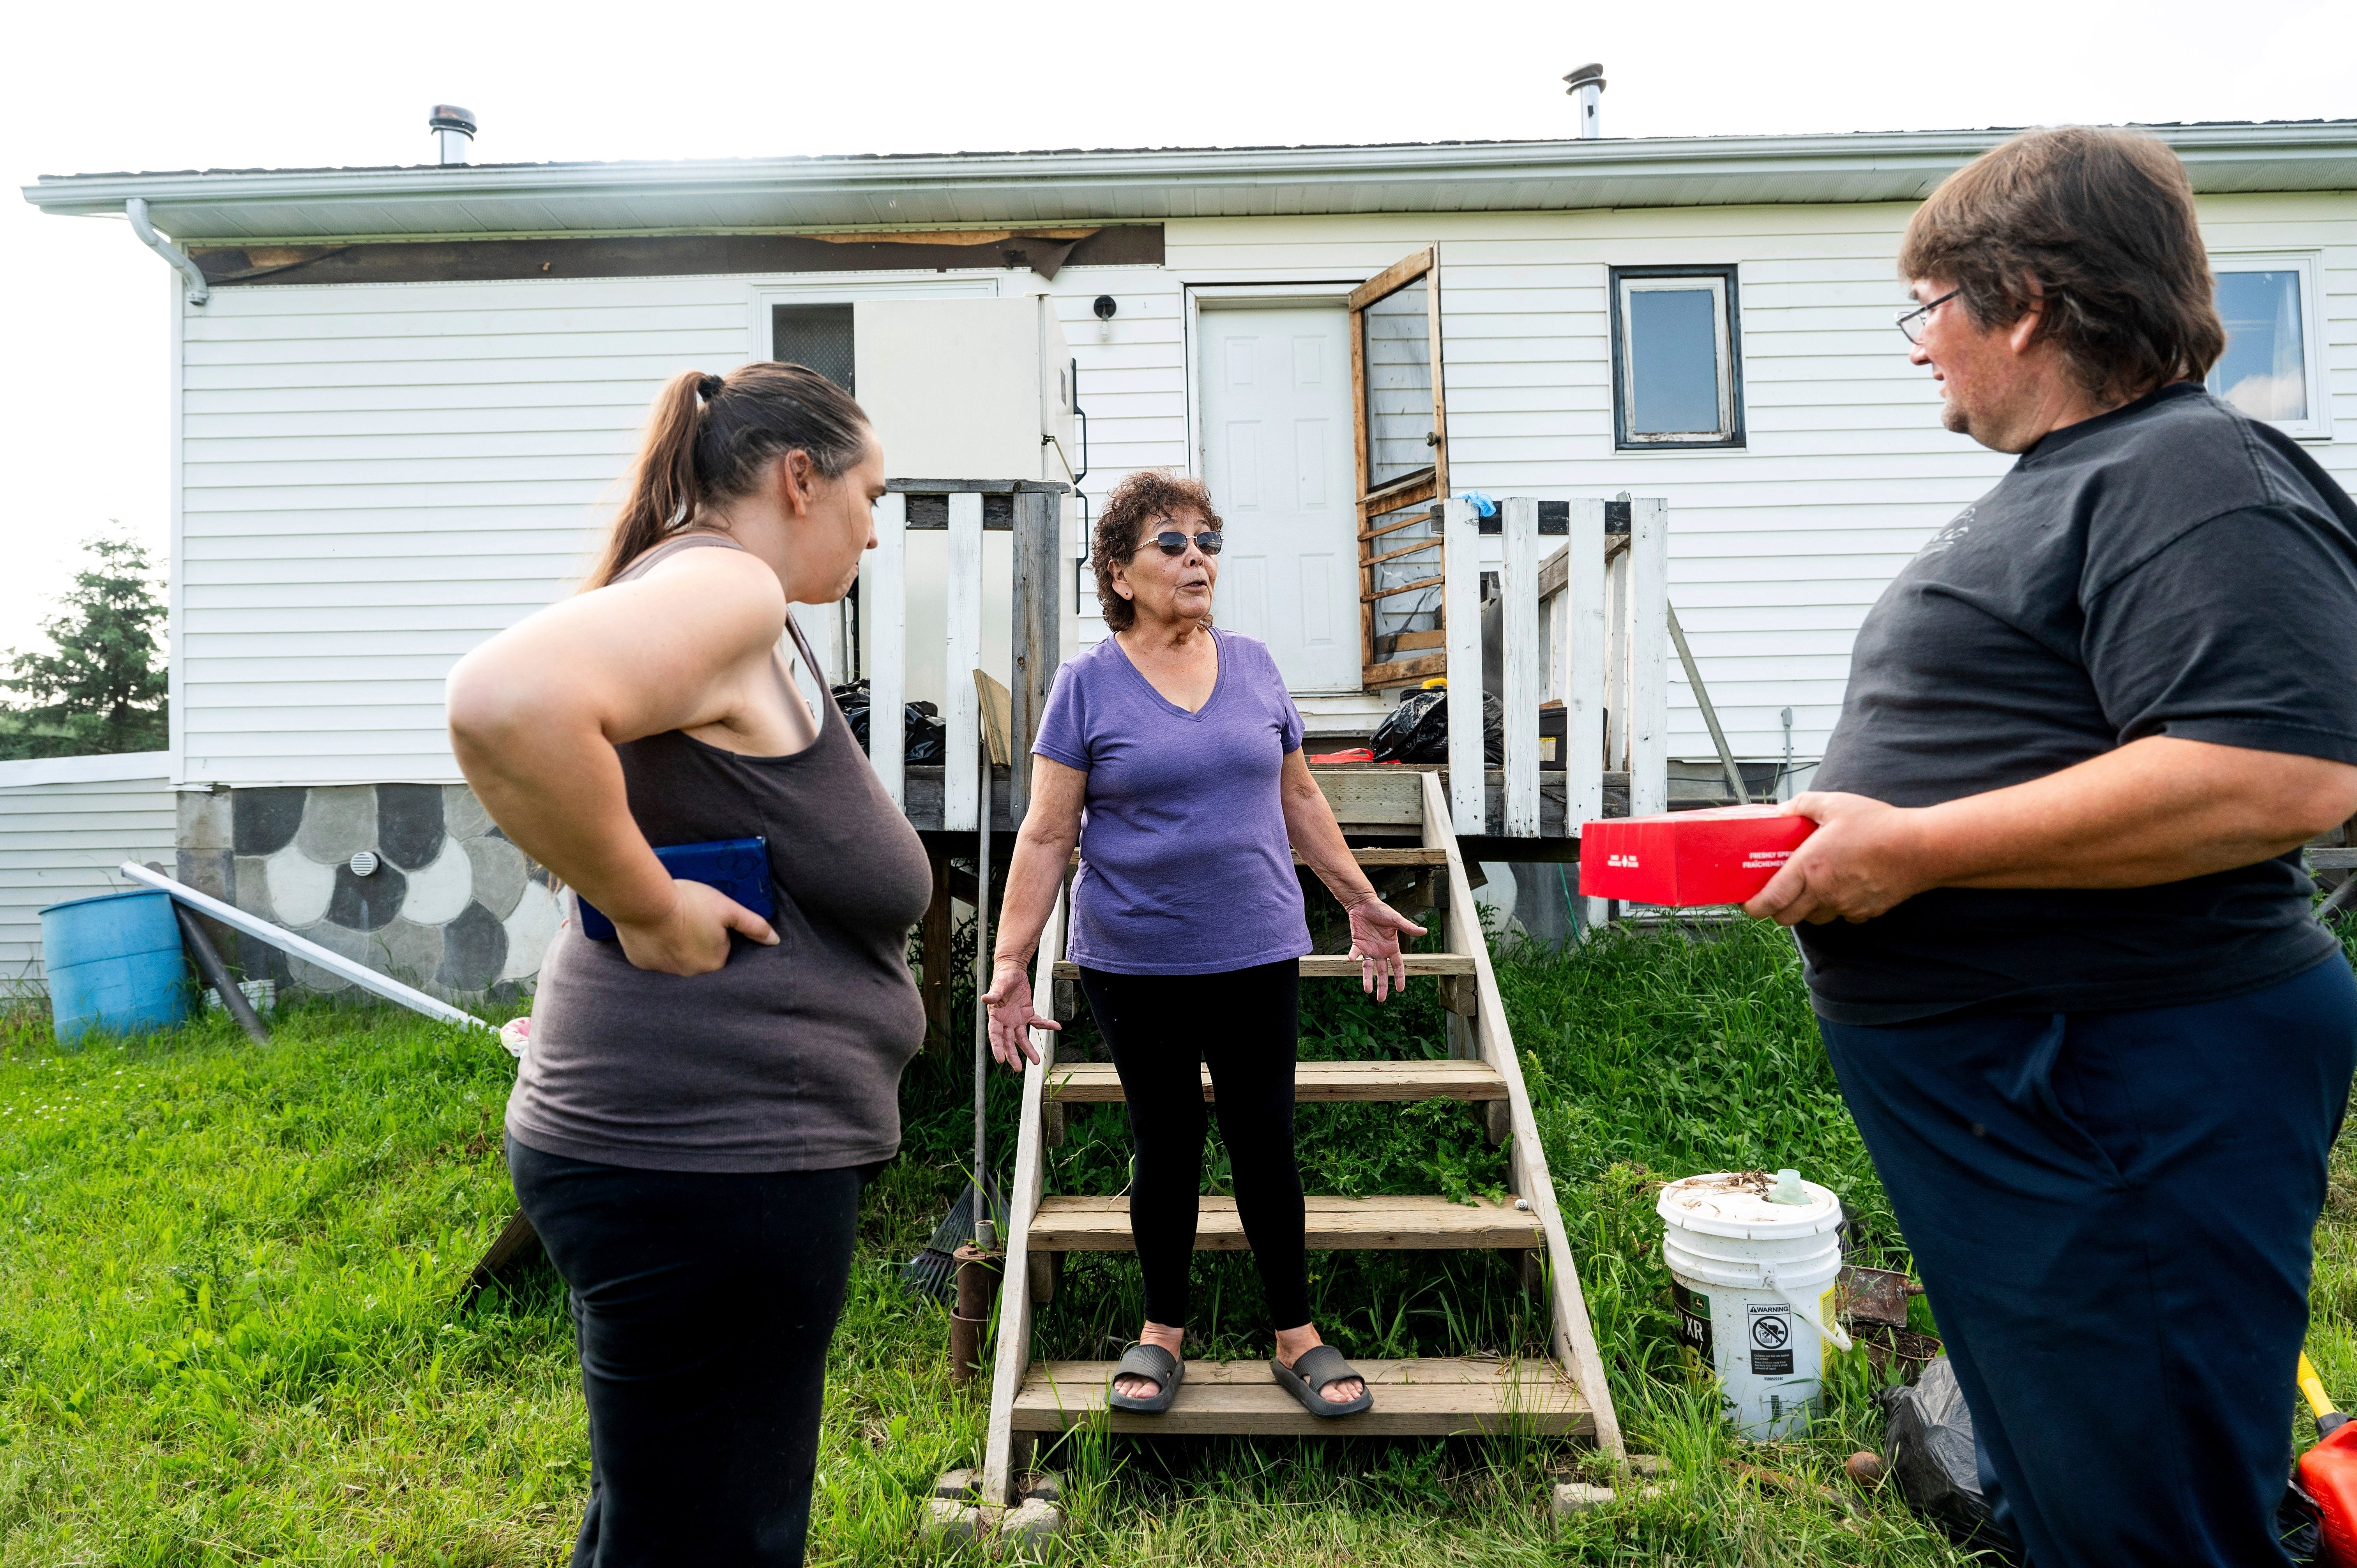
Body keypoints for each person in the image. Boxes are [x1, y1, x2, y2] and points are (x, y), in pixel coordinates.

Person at [1743, 127, 2357, 1568]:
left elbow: (2277, 775)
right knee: (2077, 1495)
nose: (1919, 348)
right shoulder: (2086, 476)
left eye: (1928, 308)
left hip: (2119, 1082)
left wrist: (1912, 850)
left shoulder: (2193, 465)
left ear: (2021, 302)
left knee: (2150, 1522)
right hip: (2043, 1095)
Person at [445, 364, 929, 1567]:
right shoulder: (729, 586)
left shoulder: (712, 593)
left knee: (665, 1522)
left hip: (689, 1157)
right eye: (872, 495)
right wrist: (648, 904)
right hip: (707, 1163)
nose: (876, 529)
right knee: (711, 1538)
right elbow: (504, 701)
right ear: (801, 479)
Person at [981, 470, 1428, 1418]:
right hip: (1134, 958)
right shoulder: (1086, 685)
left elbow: (1300, 795)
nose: (1197, 557)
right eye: (1172, 542)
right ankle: (1163, 1329)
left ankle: (1296, 1334)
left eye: (1207, 541)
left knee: (1265, 1138)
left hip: (1256, 946)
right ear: (1119, 573)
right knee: (1168, 1138)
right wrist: (1012, 959)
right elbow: (1049, 833)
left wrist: (1359, 898)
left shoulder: (1255, 666)